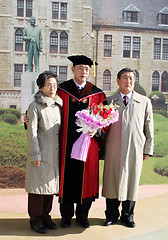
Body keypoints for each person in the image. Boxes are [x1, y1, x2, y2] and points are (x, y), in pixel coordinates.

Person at [57, 55, 106, 228]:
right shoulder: (61, 90)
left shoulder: (97, 93)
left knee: (87, 178)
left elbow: (105, 119)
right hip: (66, 144)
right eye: (80, 68)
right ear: (73, 70)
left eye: (86, 68)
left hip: (89, 145)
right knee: (67, 178)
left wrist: (97, 129)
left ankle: (83, 215)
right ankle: (66, 216)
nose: (83, 71)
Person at [102, 68, 154, 228]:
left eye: (131, 78)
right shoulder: (109, 102)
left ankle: (128, 216)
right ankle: (111, 215)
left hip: (134, 149)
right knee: (111, 182)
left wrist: (147, 149)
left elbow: (148, 126)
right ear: (118, 81)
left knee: (131, 182)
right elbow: (102, 127)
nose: (128, 81)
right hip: (113, 149)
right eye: (125, 78)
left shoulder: (144, 101)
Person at [25, 71, 62, 234]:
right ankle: (35, 220)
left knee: (50, 188)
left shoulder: (58, 105)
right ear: (41, 87)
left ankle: (46, 216)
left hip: (54, 154)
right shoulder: (35, 106)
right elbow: (32, 132)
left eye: (55, 85)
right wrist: (35, 154)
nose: (52, 88)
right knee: (38, 190)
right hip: (41, 154)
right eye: (49, 85)